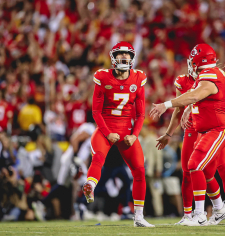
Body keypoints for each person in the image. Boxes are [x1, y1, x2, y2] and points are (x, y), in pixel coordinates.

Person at [150, 44, 225, 226]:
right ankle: (219, 209)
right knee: (204, 171)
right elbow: (198, 98)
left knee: (203, 166)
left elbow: (196, 95)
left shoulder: (210, 75)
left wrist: (165, 105)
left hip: (216, 129)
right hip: (204, 130)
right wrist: (187, 111)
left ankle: (201, 214)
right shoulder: (211, 74)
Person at [82, 41, 153, 227]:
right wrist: (107, 133)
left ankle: (138, 217)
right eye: (120, 54)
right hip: (106, 127)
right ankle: (91, 186)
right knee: (98, 157)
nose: (124, 57)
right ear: (113, 58)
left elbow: (140, 114)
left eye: (127, 54)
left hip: (126, 130)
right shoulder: (103, 77)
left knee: (139, 171)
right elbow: (96, 112)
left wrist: (135, 134)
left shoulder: (138, 78)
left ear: (132, 58)